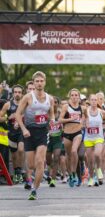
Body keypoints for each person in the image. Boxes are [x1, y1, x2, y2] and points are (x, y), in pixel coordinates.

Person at [15, 71, 55, 200]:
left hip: (43, 132)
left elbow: (52, 113)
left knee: (39, 161)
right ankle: (34, 178)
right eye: (37, 81)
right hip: (29, 132)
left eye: (41, 81)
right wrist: (23, 128)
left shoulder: (50, 98)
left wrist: (53, 121)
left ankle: (34, 189)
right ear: (34, 83)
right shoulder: (28, 97)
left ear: (45, 82)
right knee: (31, 165)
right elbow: (17, 114)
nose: (39, 83)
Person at [59, 88, 86, 187]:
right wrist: (71, 119)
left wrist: (83, 122)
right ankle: (70, 174)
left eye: (76, 95)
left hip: (77, 133)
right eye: (72, 95)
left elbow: (86, 117)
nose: (74, 97)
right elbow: (60, 120)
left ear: (79, 97)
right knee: (68, 156)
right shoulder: (66, 107)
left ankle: (74, 173)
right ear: (70, 97)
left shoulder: (83, 108)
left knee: (74, 151)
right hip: (67, 133)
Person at [0, 85, 24, 184]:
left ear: (22, 93)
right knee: (13, 155)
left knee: (21, 149)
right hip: (11, 132)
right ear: (13, 93)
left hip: (22, 131)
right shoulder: (8, 105)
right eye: (16, 92)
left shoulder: (25, 103)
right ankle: (17, 173)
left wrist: (20, 120)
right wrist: (8, 117)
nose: (17, 94)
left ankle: (19, 172)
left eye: (19, 92)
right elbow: (0, 117)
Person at [46, 96, 63, 187]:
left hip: (58, 139)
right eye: (52, 102)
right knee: (48, 160)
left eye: (55, 102)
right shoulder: (46, 113)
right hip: (48, 139)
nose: (54, 104)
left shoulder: (61, 113)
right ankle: (52, 170)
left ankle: (53, 179)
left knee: (56, 157)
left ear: (58, 104)